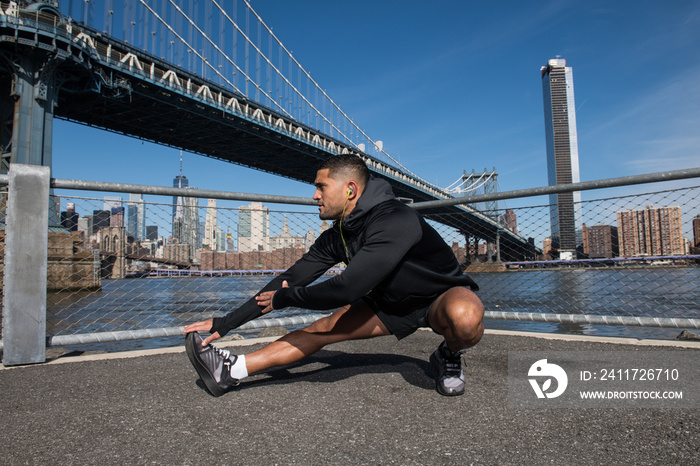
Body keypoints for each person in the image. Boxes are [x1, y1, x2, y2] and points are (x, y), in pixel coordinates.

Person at [184, 154, 484, 397]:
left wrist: (285, 298)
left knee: (466, 317)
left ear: (350, 189)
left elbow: (346, 289)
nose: (314, 195)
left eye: (321, 187)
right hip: (388, 305)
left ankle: (448, 353)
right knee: (321, 330)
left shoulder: (396, 219)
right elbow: (290, 279)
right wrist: (228, 322)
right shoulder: (337, 235)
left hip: (440, 297)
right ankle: (230, 370)